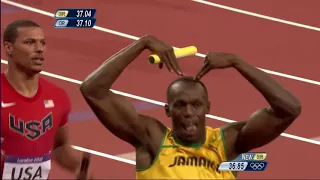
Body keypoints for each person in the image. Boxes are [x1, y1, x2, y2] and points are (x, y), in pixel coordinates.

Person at [80, 35, 301, 179]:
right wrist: (142, 43)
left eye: (196, 105)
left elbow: (289, 109)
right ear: (167, 110)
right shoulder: (152, 140)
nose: (188, 113)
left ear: (208, 108)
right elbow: (92, 90)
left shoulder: (227, 144)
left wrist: (237, 62)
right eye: (180, 105)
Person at [1, 20, 91, 180]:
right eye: (30, 42)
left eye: (42, 43)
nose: (39, 49)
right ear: (8, 48)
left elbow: (60, 146)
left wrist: (77, 167)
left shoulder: (57, 97)